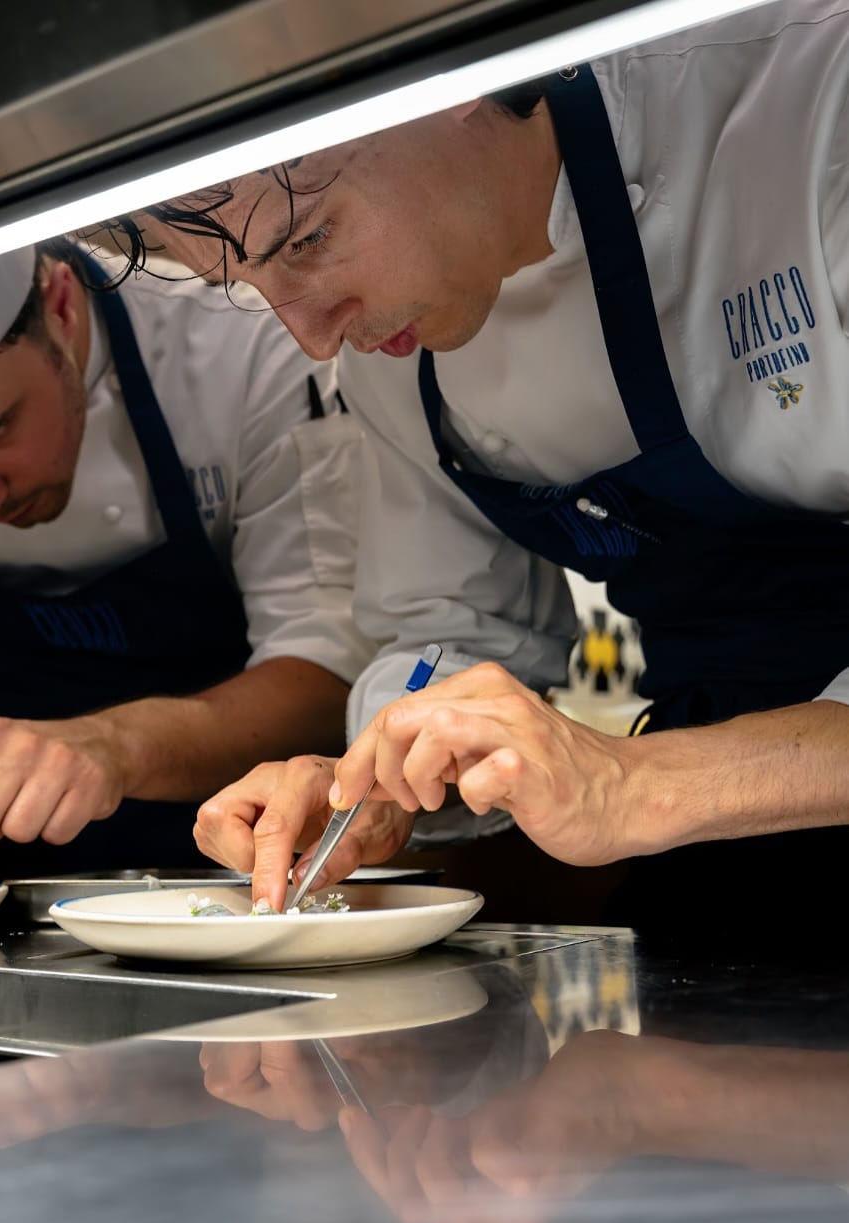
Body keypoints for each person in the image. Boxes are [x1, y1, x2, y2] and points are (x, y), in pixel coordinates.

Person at [132, 0, 849, 930]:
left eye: (308, 241)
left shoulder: (810, 102)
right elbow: (443, 636)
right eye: (250, 286)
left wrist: (633, 782)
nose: (310, 338)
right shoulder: (397, 351)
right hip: (724, 882)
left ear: (452, 65)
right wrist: (382, 779)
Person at [0, 237, 377, 879]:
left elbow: (324, 683)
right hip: (0, 889)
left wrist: (114, 747)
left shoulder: (246, 350)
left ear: (60, 306)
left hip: (251, 873)